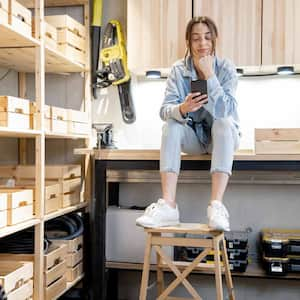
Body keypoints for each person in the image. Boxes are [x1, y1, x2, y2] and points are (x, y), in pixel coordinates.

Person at [136, 16, 240, 231]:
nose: (202, 44)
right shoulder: (178, 70)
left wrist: (209, 74)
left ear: (214, 40)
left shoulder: (226, 68)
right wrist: (182, 108)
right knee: (171, 125)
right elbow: (164, 110)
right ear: (188, 42)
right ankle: (169, 206)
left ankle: (217, 206)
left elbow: (224, 111)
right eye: (196, 39)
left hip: (221, 139)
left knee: (222, 123)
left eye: (207, 38)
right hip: (193, 138)